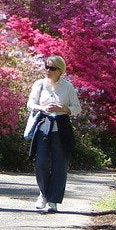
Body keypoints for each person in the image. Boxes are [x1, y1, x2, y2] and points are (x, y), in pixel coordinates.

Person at [26, 55, 81, 213]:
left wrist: (63, 109)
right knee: (41, 162)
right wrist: (42, 108)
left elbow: (77, 107)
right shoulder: (39, 84)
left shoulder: (67, 87)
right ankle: (43, 193)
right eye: (46, 67)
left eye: (52, 68)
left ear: (60, 70)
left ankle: (53, 200)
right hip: (43, 125)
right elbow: (30, 103)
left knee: (59, 165)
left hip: (61, 128)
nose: (48, 71)